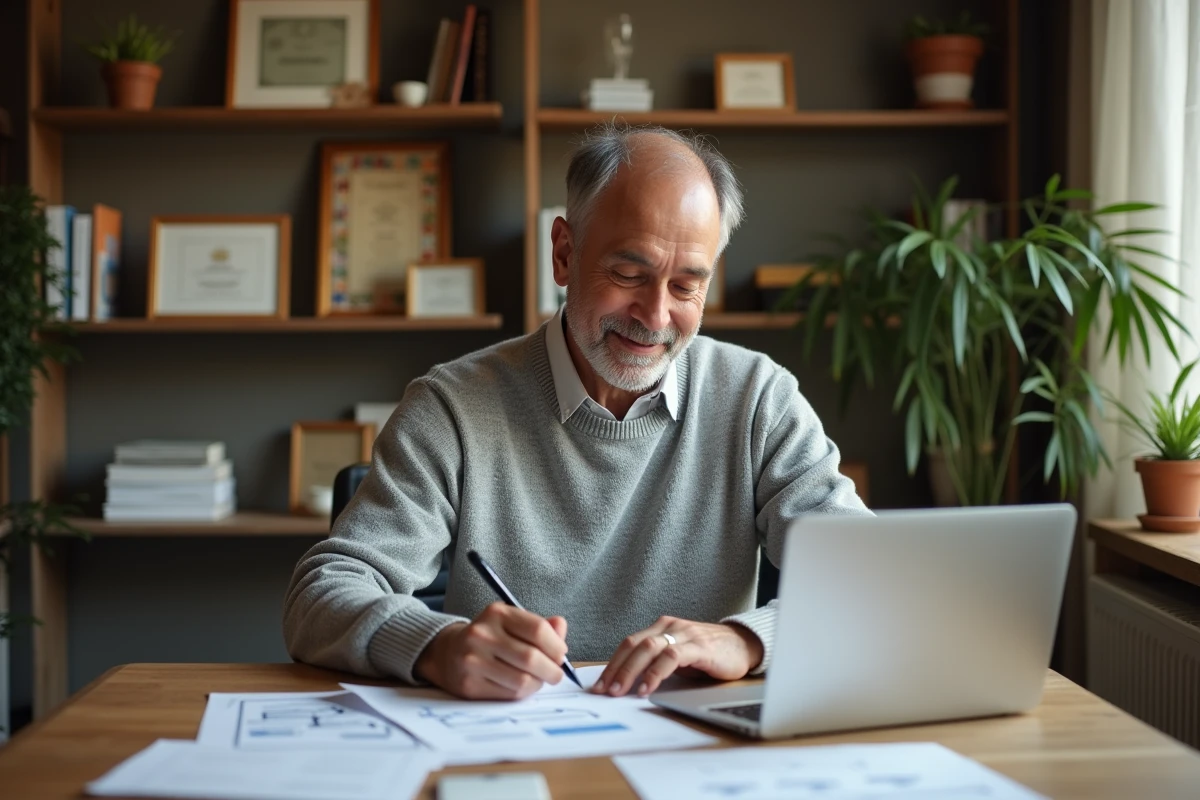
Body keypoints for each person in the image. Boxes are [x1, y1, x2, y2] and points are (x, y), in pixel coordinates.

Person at [283, 123, 869, 702]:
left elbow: (872, 584)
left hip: (692, 745)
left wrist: (747, 642)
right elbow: (320, 595)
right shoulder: (452, 408)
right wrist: (436, 646)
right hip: (509, 739)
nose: (655, 317)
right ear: (565, 254)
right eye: (629, 274)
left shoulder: (758, 400)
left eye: (686, 287)